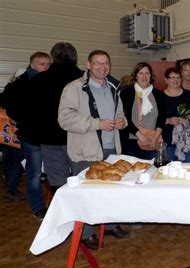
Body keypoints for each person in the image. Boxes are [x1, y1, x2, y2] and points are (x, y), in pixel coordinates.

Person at [58, 50, 130, 250]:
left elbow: (120, 112)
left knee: (111, 193)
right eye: (97, 63)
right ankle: (86, 232)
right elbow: (65, 119)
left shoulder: (114, 87)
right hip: (86, 151)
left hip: (111, 150)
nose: (102, 67)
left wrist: (122, 121)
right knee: (86, 195)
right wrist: (97, 123)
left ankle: (111, 225)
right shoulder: (74, 88)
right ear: (88, 65)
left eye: (106, 63)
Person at [32, 42, 84, 197]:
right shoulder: (84, 79)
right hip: (79, 137)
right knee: (82, 178)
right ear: (75, 58)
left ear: (53, 58)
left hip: (50, 139)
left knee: (57, 181)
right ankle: (82, 216)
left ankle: (61, 215)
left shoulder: (39, 79)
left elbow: (31, 109)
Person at [6, 51, 51, 219]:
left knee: (48, 171)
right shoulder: (21, 83)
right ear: (32, 65)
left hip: (48, 136)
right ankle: (38, 207)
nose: (45, 67)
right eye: (42, 64)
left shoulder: (49, 82)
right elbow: (11, 108)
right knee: (34, 173)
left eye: (48, 64)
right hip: (31, 136)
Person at [120, 62, 166, 160]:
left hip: (153, 141)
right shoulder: (126, 93)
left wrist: (155, 137)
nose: (144, 76)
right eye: (141, 73)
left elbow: (162, 117)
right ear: (135, 76)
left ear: (151, 76)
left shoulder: (159, 94)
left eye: (147, 73)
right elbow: (125, 118)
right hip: (132, 140)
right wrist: (140, 136)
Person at [1, 70, 26, 202]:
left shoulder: (9, 88)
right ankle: (11, 190)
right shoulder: (22, 90)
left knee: (9, 159)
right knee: (17, 161)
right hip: (17, 132)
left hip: (5, 133)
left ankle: (9, 186)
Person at [160, 67, 190, 162]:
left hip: (187, 141)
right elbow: (155, 119)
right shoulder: (159, 96)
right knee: (169, 171)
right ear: (166, 80)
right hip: (167, 141)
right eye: (172, 77)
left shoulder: (188, 96)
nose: (176, 80)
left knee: (189, 169)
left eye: (178, 77)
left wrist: (188, 117)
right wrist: (168, 120)